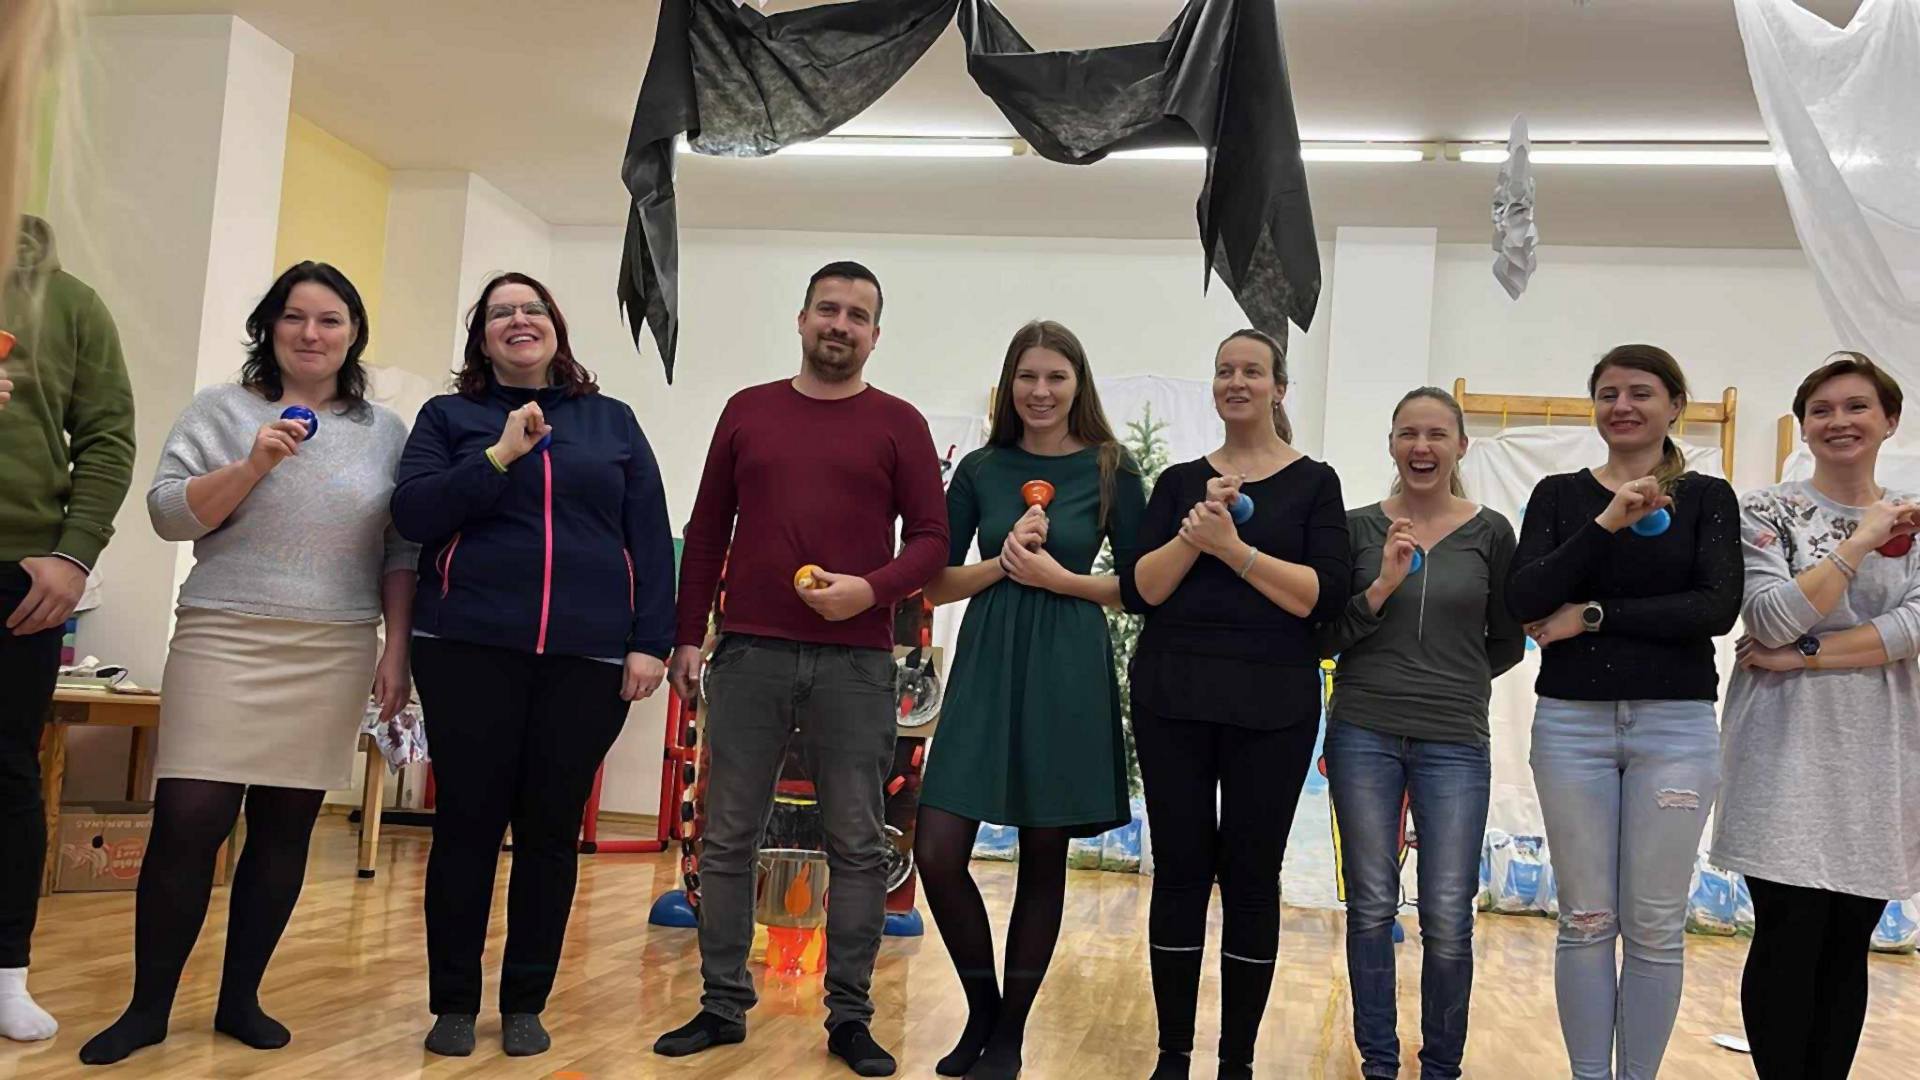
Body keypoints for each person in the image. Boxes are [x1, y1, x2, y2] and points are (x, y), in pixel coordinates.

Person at [78, 262, 413, 1064]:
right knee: (188, 819)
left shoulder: (386, 431)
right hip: (223, 632)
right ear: (268, 326)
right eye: (294, 317)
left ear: (354, 334)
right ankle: (147, 1009)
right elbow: (168, 515)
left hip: (334, 642)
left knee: (285, 828)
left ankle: (240, 999)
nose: (310, 334)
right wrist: (253, 464)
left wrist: (397, 649)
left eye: (330, 320)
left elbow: (402, 547)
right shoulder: (220, 409)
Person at [653, 261, 947, 1078]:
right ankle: (721, 1005)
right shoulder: (747, 410)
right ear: (802, 318)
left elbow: (931, 540)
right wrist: (687, 636)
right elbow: (706, 530)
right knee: (726, 837)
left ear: (875, 335)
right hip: (748, 652)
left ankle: (850, 1018)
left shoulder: (900, 424)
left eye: (857, 315)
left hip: (857, 663)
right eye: (828, 308)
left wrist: (870, 591)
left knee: (857, 842)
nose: (840, 324)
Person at [391, 272, 675, 1058]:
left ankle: (525, 1002)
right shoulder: (448, 417)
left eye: (532, 308)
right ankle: (453, 1003)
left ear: (555, 326)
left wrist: (650, 640)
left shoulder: (612, 422)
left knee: (550, 832)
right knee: (467, 827)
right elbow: (414, 512)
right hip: (466, 651)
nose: (518, 319)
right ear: (481, 338)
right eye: (500, 313)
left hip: (585, 660)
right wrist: (498, 456)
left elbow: (649, 536)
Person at [914, 320, 1145, 1080]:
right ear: (1008, 384)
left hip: (1067, 663)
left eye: (1055, 377)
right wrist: (1004, 561)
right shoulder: (982, 468)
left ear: (1079, 385)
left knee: (1044, 856)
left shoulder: (1111, 467)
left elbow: (1143, 587)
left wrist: (1061, 579)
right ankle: (982, 1007)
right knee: (937, 849)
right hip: (987, 658)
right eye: (1027, 377)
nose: (1040, 392)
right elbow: (935, 581)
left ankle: (1010, 1033)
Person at [1507, 344, 1742, 1080]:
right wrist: (1606, 522)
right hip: (1570, 725)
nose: (1623, 406)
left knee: (1654, 927)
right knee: (1584, 920)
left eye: (1641, 392)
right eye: (1608, 393)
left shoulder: (1707, 498)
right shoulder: (1558, 496)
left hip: (1676, 726)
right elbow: (1526, 599)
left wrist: (1593, 616)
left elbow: (1714, 608)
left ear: (1674, 405)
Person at [1119, 329, 1349, 1080]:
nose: (1237, 382)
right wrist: (1198, 535)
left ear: (1279, 388)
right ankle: (1172, 1055)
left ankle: (1237, 1061)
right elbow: (1142, 590)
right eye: (1225, 370)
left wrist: (1234, 549)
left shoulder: (1315, 483)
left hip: (1273, 703)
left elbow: (1321, 597)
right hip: (1173, 696)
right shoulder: (1180, 483)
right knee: (1180, 871)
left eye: (1253, 370)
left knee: (1252, 877)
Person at [1714, 352, 1920, 1079]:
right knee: (1789, 932)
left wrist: (1804, 657)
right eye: (1822, 410)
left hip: (1880, 753)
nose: (1840, 421)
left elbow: (1913, 627)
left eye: (1857, 406)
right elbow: (1770, 617)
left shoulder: (1917, 519)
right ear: (1803, 427)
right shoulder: (1765, 510)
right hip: (1783, 752)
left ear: (1889, 420)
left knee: (1847, 941)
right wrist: (1860, 539)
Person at [1318, 387, 1523, 1080]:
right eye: (1408, 433)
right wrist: (1380, 586)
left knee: (1448, 913)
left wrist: (1451, 682)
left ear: (1461, 446)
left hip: (1455, 740)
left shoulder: (1492, 533)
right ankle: (1378, 1063)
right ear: (1391, 444)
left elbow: (1507, 641)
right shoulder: (1356, 529)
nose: (1422, 446)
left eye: (1437, 434)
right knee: (1371, 905)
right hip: (1362, 733)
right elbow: (1327, 635)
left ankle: (1441, 1067)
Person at [0, 213, 134, 1044]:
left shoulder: (71, 303)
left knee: (7, 774)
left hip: (19, 577)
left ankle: (5, 973)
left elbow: (108, 437)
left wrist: (73, 555)